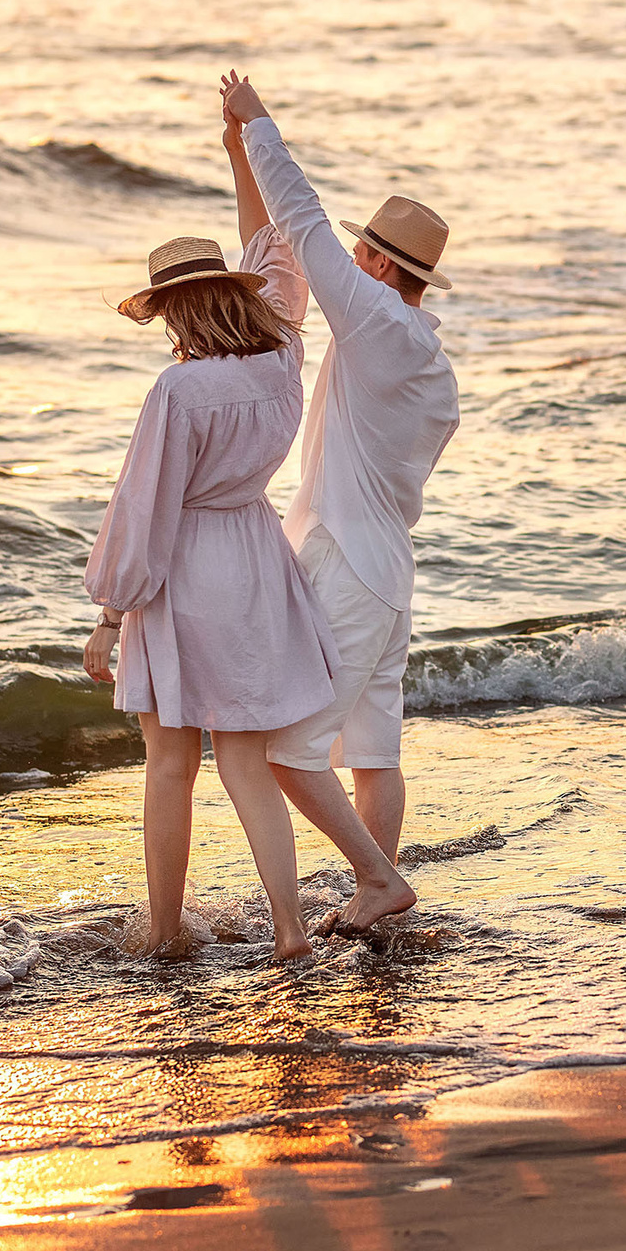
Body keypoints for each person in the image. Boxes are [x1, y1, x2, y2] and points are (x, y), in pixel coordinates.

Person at [81, 227, 414, 959]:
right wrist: (243, 142)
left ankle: (164, 932)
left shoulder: (179, 388)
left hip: (188, 569)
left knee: (170, 762)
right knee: (245, 763)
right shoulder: (283, 362)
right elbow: (278, 259)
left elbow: (144, 505)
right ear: (229, 294)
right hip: (258, 560)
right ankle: (290, 930)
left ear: (178, 309)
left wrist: (111, 612)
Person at [219, 72, 460, 927]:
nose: (350, 261)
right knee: (374, 751)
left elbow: (304, 223)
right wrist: (240, 151)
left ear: (380, 266)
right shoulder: (432, 367)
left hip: (350, 567)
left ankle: (380, 880)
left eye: (364, 255)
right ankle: (375, 896)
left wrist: (257, 127)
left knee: (288, 753)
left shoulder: (378, 325)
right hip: (390, 570)